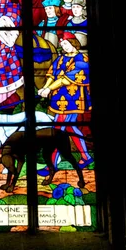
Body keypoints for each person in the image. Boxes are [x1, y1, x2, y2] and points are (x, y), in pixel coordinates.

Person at [37, 32, 93, 173]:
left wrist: (48, 89)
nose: (65, 47)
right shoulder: (61, 58)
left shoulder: (82, 60)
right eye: (62, 45)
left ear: (74, 43)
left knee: (57, 131)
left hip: (74, 100)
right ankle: (86, 157)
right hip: (59, 100)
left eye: (67, 44)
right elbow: (51, 74)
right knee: (69, 128)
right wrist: (45, 87)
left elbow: (65, 80)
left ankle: (52, 165)